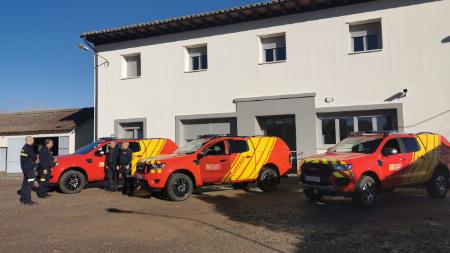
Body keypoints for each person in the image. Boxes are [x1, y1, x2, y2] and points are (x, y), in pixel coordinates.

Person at [19, 136, 38, 205]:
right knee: (29, 185)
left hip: (25, 169)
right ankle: (27, 201)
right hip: (30, 170)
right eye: (33, 140)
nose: (33, 141)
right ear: (29, 140)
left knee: (25, 185)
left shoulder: (24, 148)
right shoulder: (29, 148)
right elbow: (34, 157)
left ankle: (23, 199)